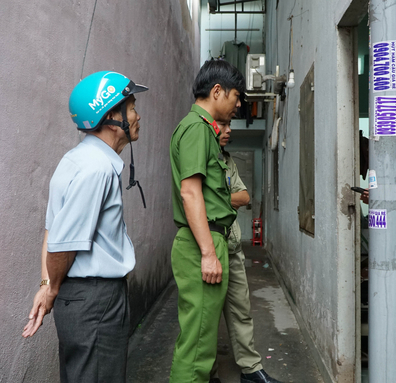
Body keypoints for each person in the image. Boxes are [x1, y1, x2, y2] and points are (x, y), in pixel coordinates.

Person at [21, 71, 148, 383]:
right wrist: (50, 289)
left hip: (82, 299)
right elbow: (63, 244)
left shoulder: (76, 159)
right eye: (130, 107)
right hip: (96, 302)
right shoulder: (97, 170)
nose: (137, 115)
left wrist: (46, 284)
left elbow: (52, 231)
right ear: (110, 116)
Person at [168, 59, 244, 383]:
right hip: (203, 242)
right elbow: (191, 193)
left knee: (201, 342)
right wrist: (209, 253)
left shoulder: (201, 130)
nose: (238, 105)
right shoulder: (198, 128)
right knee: (197, 348)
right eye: (235, 97)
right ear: (217, 91)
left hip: (209, 239)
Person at [210, 120, 282, 383]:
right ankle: (208, 373)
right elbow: (194, 198)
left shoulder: (228, 161)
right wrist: (225, 198)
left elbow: (244, 197)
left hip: (233, 247)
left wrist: (217, 198)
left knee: (241, 310)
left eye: (230, 124)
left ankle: (251, 370)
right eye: (223, 124)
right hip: (207, 247)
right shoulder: (201, 157)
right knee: (207, 317)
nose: (229, 130)